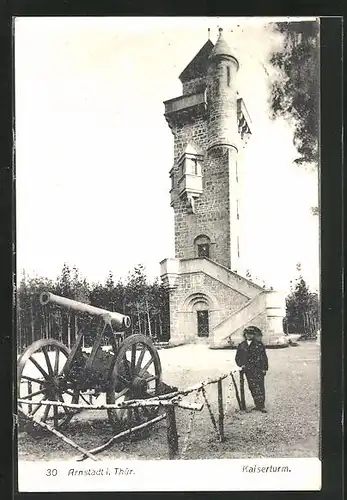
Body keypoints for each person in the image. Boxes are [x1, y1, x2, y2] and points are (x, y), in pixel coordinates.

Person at [235, 326, 268, 413]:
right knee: (252, 386)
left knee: (260, 386)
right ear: (245, 335)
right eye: (247, 334)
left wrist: (264, 368)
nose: (249, 336)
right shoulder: (241, 345)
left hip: (258, 369)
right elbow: (237, 357)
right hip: (248, 370)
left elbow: (264, 357)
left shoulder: (259, 344)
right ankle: (257, 404)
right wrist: (241, 365)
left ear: (253, 335)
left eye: (251, 334)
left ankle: (261, 406)